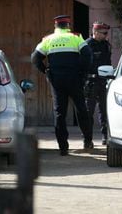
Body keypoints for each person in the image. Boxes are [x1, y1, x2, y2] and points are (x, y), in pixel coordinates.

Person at [31, 15, 93, 156]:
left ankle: (63, 148)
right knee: (81, 110)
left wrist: (46, 70)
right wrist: (83, 73)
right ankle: (87, 142)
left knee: (60, 113)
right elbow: (87, 55)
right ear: (68, 26)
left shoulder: (48, 39)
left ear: (55, 26)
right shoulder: (76, 37)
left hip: (57, 80)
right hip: (75, 79)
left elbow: (34, 58)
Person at [85, 21, 112, 145]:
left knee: (104, 110)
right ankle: (88, 139)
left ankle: (105, 136)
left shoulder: (106, 45)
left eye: (107, 33)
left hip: (103, 81)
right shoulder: (86, 45)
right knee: (88, 111)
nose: (106, 35)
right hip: (90, 81)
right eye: (104, 33)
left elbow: (108, 62)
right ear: (95, 32)